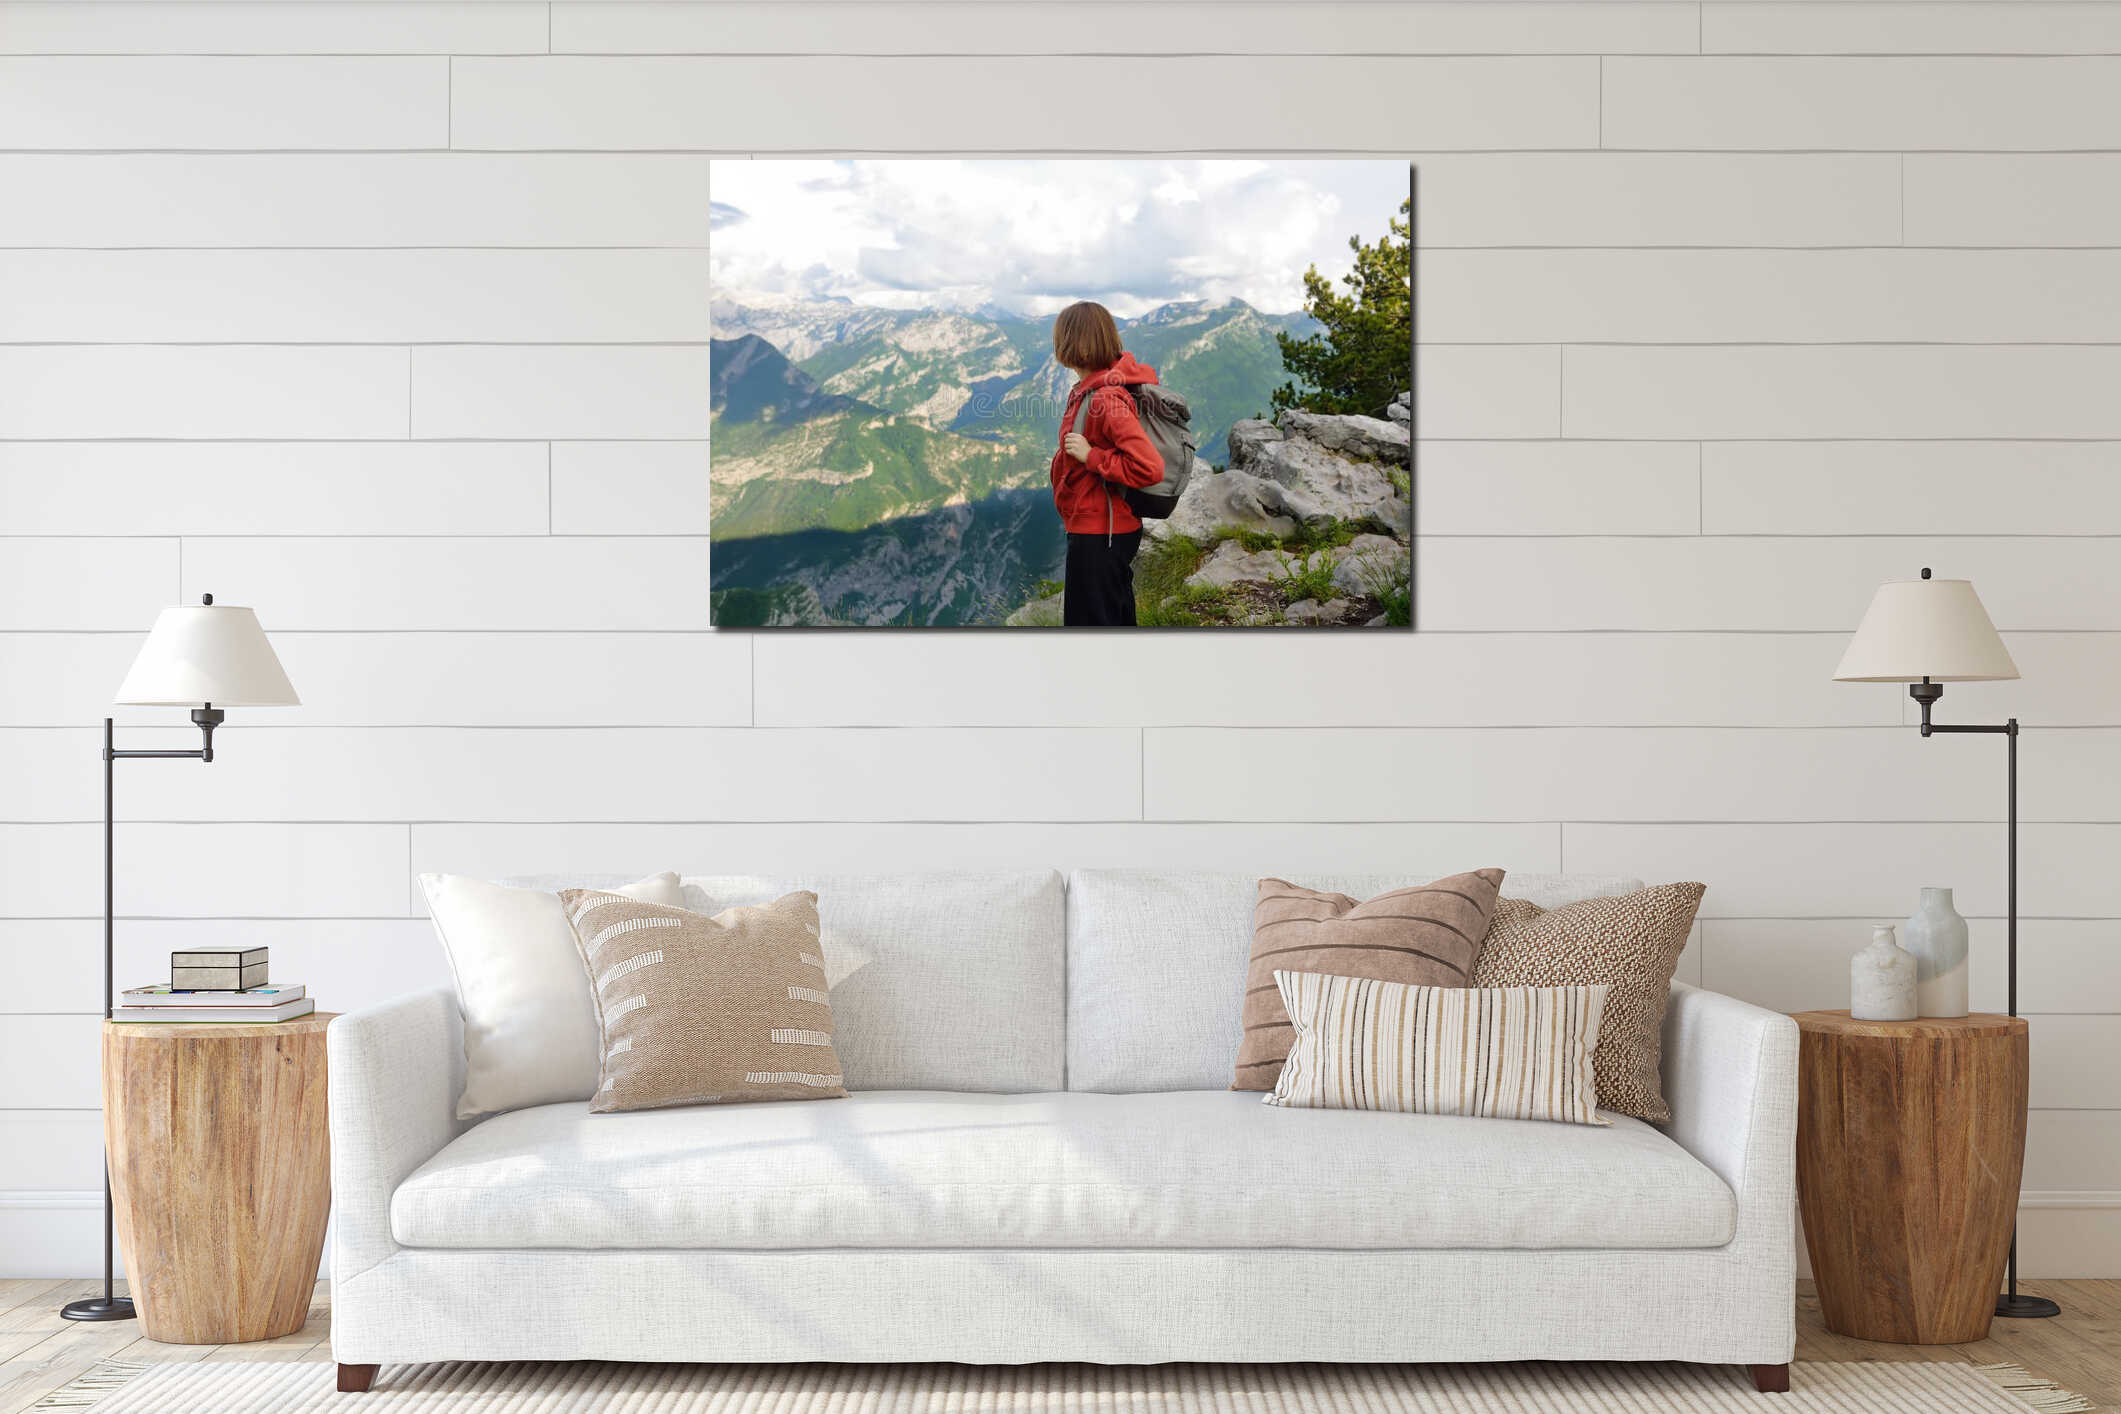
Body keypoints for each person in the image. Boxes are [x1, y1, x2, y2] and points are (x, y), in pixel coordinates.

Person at [1048, 301, 1165, 627]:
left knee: (1091, 624)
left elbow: (1150, 468)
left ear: (1071, 344)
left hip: (1101, 533)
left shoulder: (1105, 399)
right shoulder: (1095, 389)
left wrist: (1091, 456)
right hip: (1103, 528)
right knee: (1114, 615)